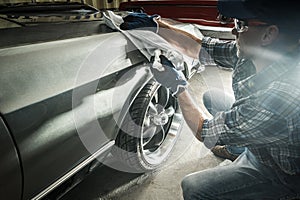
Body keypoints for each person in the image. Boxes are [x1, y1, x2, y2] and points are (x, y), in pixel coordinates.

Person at [120, 0, 300, 199]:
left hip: (282, 172)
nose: (234, 31)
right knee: (212, 98)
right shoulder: (261, 53)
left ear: (268, 34)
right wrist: (157, 27)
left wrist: (178, 87)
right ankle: (238, 147)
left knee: (194, 188)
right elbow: (200, 48)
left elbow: (206, 132)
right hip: (266, 141)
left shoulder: (283, 96)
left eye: (240, 24)